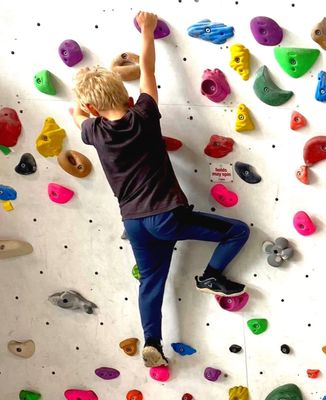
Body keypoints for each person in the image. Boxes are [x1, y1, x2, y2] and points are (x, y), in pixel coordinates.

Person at [71, 11, 250, 367]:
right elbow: (148, 71)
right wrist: (148, 31)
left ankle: (152, 341)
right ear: (125, 92)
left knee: (151, 282)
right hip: (166, 215)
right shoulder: (143, 114)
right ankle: (211, 275)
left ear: (92, 108)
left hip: (134, 222)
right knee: (238, 231)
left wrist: (84, 87)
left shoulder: (93, 131)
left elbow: (74, 112)